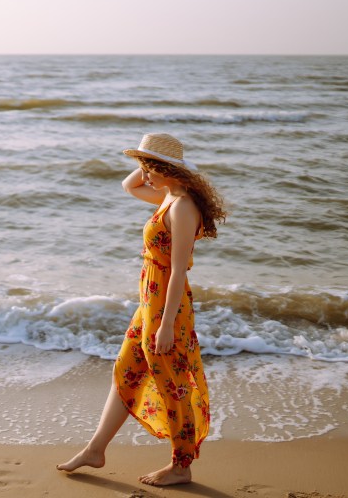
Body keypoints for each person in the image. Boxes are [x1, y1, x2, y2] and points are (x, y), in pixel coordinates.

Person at [57, 132, 227, 487]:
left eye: (150, 169)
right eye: (145, 168)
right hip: (149, 305)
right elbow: (128, 185)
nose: (144, 176)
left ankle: (181, 465)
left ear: (167, 170)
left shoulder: (181, 207)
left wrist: (166, 326)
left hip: (167, 308)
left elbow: (178, 271)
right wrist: (145, 160)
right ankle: (95, 449)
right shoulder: (168, 196)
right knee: (126, 372)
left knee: (172, 385)